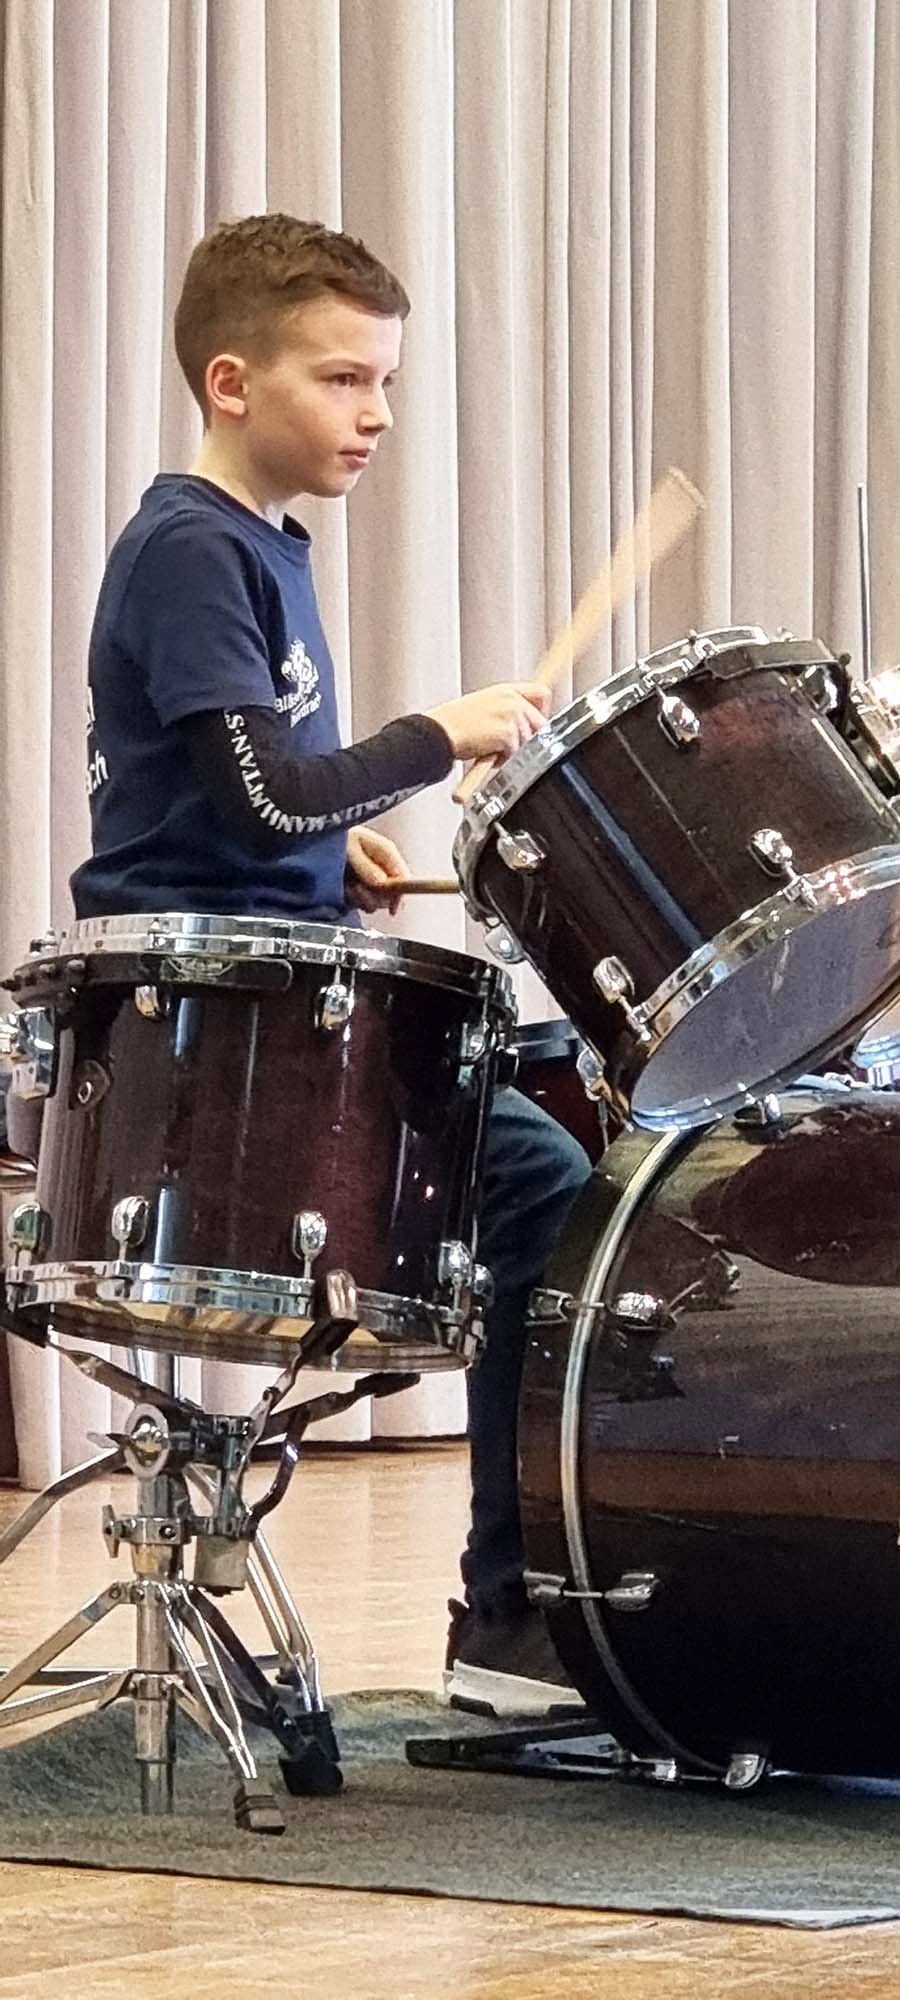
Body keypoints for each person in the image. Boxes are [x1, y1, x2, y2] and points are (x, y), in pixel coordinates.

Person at [70, 214, 593, 1718]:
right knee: (548, 1192)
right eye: (343, 379)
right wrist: (435, 737)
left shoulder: (263, 549)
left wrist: (331, 846)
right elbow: (259, 796)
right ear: (232, 383)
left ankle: (518, 1602)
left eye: (386, 383)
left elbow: (251, 799)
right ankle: (506, 1612)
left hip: (275, 960)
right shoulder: (193, 549)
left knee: (551, 1182)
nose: (375, 414)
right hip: (209, 1012)